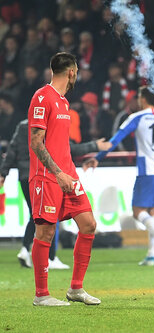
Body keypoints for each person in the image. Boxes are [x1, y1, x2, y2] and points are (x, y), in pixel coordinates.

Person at [26, 52, 100, 306]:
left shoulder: (64, 103)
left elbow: (59, 143)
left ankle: (76, 289)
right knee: (45, 232)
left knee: (88, 224)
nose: (76, 75)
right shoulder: (42, 97)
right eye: (76, 71)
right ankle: (41, 295)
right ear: (71, 72)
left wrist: (70, 169)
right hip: (47, 177)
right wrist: (58, 173)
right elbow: (37, 142)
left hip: (69, 175)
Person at [1, 119, 111, 270]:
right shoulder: (51, 124)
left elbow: (12, 150)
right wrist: (94, 146)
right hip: (43, 175)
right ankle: (50, 257)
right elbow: (68, 149)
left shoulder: (23, 125)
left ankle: (25, 249)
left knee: (35, 215)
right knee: (50, 216)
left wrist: (3, 173)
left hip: (25, 176)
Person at [87, 86, 154, 266]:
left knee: (138, 212)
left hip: (146, 171)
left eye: (138, 97)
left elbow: (116, 140)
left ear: (143, 99)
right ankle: (152, 256)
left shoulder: (137, 117)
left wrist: (98, 157)